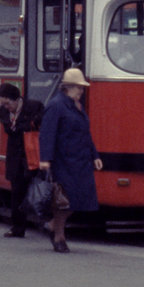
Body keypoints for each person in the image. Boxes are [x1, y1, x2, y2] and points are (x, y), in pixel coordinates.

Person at [38, 67, 103, 254]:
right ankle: (59, 236)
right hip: (63, 161)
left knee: (80, 199)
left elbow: (85, 133)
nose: (81, 91)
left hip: (80, 161)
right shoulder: (56, 105)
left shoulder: (77, 106)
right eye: (78, 88)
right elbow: (47, 134)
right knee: (64, 201)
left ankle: (52, 226)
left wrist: (95, 155)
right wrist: (45, 159)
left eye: (82, 88)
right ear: (67, 87)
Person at [0, 81, 44, 237]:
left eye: (8, 103)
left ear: (16, 99)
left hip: (32, 153)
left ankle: (46, 223)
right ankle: (17, 227)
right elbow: (11, 130)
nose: (6, 107)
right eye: (3, 104)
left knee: (39, 188)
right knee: (16, 191)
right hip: (15, 156)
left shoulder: (34, 106)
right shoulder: (2, 111)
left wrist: (23, 126)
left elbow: (39, 124)